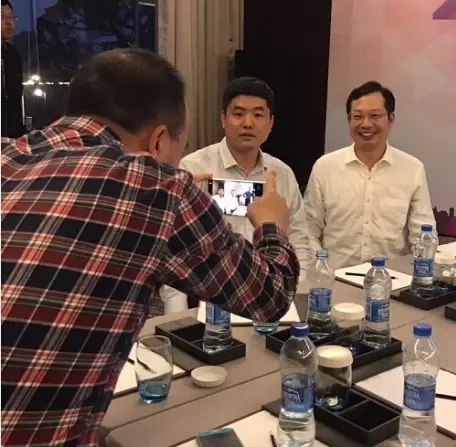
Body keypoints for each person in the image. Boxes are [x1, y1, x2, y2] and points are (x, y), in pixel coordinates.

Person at [1, 49, 299, 446]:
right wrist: (271, 225)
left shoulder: (10, 152)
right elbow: (270, 295)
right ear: (158, 140)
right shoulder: (158, 186)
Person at [160, 77, 310, 314]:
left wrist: (297, 300)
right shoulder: (193, 168)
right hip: (209, 299)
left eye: (258, 115)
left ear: (271, 123)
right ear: (223, 118)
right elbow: (172, 250)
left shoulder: (282, 174)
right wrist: (176, 316)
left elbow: (299, 239)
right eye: (238, 114)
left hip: (269, 297)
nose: (248, 123)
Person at [304, 81, 436, 269]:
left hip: (392, 277)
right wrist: (321, 268)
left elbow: (423, 236)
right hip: (335, 275)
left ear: (391, 119)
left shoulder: (412, 169)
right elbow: (308, 231)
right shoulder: (325, 167)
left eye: (374, 116)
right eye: (358, 116)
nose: (366, 124)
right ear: (349, 120)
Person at [1, 0, 25, 138]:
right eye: (2, 17)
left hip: (11, 137)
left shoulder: (12, 54)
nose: (9, 22)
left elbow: (15, 100)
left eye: (11, 17)